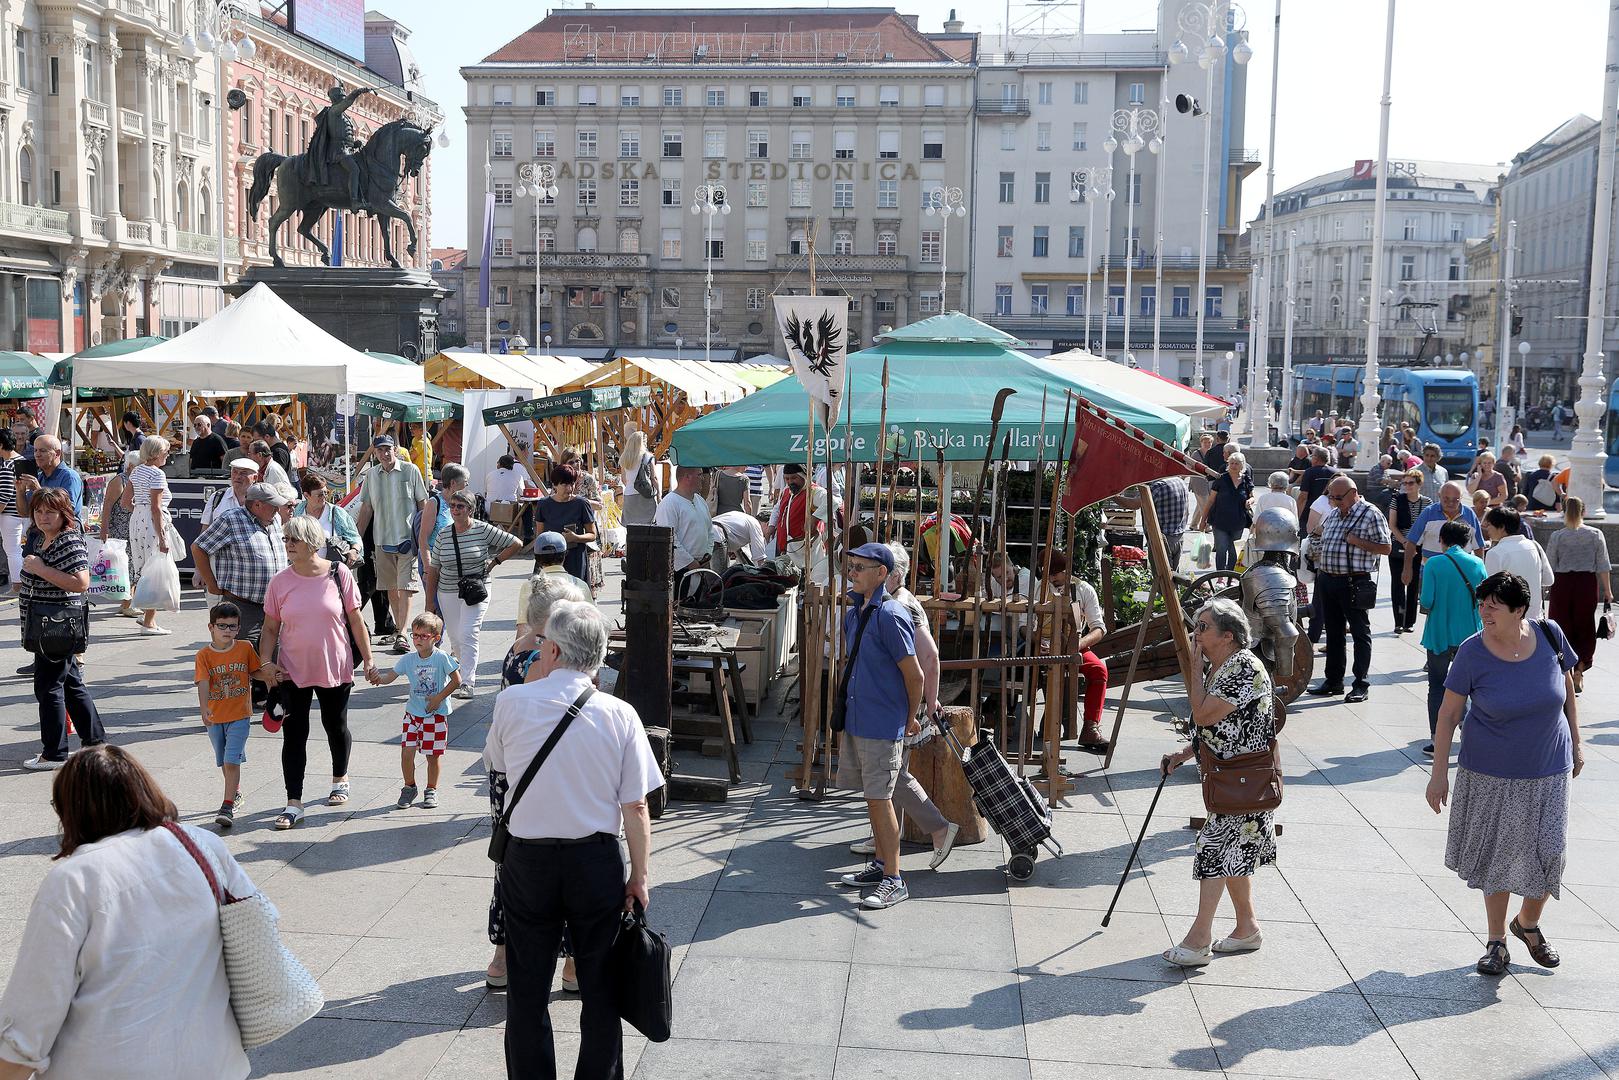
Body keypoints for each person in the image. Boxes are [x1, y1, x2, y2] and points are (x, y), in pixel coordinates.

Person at [0, 746, 264, 1079]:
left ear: (74, 809)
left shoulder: (75, 880)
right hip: (215, 1064)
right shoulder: (201, 844)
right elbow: (257, 923)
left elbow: (29, 1025)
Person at [486, 600, 662, 1079]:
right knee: (601, 987)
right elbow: (636, 806)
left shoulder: (511, 702)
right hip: (595, 860)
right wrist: (640, 876)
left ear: (554, 650)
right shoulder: (620, 713)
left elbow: (498, 767)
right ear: (598, 658)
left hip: (528, 861)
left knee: (527, 988)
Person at [1426, 571, 1583, 975]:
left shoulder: (1549, 634)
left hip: (1549, 767)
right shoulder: (1472, 651)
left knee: (1551, 853)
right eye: (1482, 605)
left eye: (1493, 606)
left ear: (1519, 610)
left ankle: (1527, 923)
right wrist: (1439, 773)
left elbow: (1567, 686)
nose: (1484, 612)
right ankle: (1496, 940)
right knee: (1498, 855)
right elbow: (1448, 715)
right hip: (1490, 771)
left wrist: (1577, 742)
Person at [487, 572, 591, 992]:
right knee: (560, 861)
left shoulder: (516, 650)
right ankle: (570, 962)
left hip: (509, 775)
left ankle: (502, 956)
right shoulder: (546, 660)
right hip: (548, 773)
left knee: (509, 863)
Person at [1159, 598, 1277, 967]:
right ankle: (1247, 928)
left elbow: (1203, 714)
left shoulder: (1242, 667)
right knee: (1235, 853)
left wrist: (1194, 669)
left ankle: (1198, 940)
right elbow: (1218, 726)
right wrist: (1184, 753)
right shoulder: (1225, 666)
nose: (1196, 633)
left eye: (1203, 627)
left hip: (1244, 780)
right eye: (1196, 625)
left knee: (1213, 847)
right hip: (1236, 778)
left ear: (1228, 635)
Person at [257, 513, 376, 829]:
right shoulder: (280, 581)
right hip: (291, 670)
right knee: (294, 734)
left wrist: (369, 659)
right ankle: (293, 802)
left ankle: (340, 778)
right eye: (285, 539)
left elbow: (356, 620)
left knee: (335, 725)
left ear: (312, 542)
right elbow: (270, 628)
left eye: (294, 539)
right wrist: (266, 662)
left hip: (334, 664)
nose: (288, 544)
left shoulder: (339, 573)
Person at [846, 543, 962, 863]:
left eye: (861, 567)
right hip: (897, 701)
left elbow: (929, 658)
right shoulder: (888, 603)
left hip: (901, 704)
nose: (854, 573)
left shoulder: (899, 606)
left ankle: (936, 829)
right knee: (890, 774)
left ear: (891, 574)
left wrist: (929, 702)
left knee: (892, 774)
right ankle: (886, 839)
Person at [835, 542, 926, 911]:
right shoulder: (855, 614)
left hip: (882, 722)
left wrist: (909, 718)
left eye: (860, 567)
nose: (852, 572)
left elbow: (915, 675)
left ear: (882, 573)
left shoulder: (890, 614)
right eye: (852, 566)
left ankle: (894, 879)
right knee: (872, 798)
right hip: (859, 718)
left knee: (880, 798)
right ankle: (881, 864)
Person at [18, 488, 106, 770]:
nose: (43, 516)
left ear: (63, 514)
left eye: (50, 512)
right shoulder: (41, 537)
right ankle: (94, 742)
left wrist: (41, 569)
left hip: (56, 626)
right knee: (70, 683)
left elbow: (81, 582)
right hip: (47, 625)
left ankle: (54, 753)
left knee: (49, 687)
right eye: (38, 511)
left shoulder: (68, 540)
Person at [425, 489, 524, 698]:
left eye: (460, 506)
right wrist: (429, 602)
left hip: (477, 589)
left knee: (468, 632)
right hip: (448, 590)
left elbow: (516, 543)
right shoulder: (443, 534)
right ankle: (462, 671)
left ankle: (467, 682)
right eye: (452, 506)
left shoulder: (482, 529)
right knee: (455, 637)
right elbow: (434, 569)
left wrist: (495, 562)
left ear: (470, 509)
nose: (455, 510)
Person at [1307, 476, 1392, 703]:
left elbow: (1386, 547)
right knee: (1334, 633)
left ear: (1353, 493)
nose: (1335, 502)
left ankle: (1360, 684)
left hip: (1354, 582)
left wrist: (1357, 541)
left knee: (1359, 633)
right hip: (1328, 579)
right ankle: (1333, 680)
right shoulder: (1334, 513)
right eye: (1332, 498)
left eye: (1338, 498)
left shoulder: (1371, 514)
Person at [370, 611, 461, 809]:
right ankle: (409, 787)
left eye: (423, 636)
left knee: (432, 756)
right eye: (415, 635)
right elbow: (390, 677)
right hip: (412, 715)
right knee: (406, 752)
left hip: (435, 716)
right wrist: (378, 679)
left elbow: (457, 681)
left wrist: (438, 698)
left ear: (436, 638)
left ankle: (431, 789)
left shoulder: (442, 658)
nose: (418, 639)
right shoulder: (408, 659)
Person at [191, 482, 290, 657]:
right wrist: (211, 584)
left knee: (273, 661)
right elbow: (198, 547)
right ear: (257, 505)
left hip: (273, 606)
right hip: (243, 606)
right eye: (273, 505)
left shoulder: (274, 520)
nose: (277, 509)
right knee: (244, 659)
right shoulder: (231, 519)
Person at [353, 434, 429, 655]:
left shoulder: (410, 470)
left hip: (407, 539)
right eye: (380, 450)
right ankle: (399, 628)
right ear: (375, 453)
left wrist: (424, 535)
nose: (385, 454)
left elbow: (422, 503)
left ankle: (403, 633)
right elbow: (367, 508)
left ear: (395, 449)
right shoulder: (371, 475)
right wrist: (357, 538)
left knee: (406, 587)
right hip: (382, 539)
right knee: (391, 588)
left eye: (388, 449)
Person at [1418, 520, 1486, 754]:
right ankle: (1470, 731)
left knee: (1437, 685)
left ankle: (1437, 739)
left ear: (1441, 540)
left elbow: (1427, 600)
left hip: (1439, 633)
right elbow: (1483, 599)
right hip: (1470, 634)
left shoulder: (1434, 563)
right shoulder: (1478, 563)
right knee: (1470, 686)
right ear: (1467, 541)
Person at [194, 601, 264, 828]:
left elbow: (255, 671)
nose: (227, 630)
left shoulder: (245, 648)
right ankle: (236, 792)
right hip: (215, 717)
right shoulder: (204, 655)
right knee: (223, 760)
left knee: (230, 759)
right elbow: (203, 682)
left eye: (233, 626)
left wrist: (271, 676)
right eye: (222, 626)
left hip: (240, 715)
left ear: (239, 628)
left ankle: (227, 805)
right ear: (211, 627)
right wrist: (204, 708)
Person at [1039, 550, 1110, 750]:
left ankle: (1090, 728)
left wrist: (1076, 645)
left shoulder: (1084, 590)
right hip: (1040, 647)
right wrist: (1035, 639)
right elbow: (1023, 625)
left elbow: (1099, 628)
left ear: (1066, 570)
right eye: (1048, 574)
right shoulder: (1038, 589)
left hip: (1073, 646)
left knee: (1099, 670)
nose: (1051, 578)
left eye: (1056, 573)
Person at [1545, 496, 1613, 695]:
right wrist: (1608, 591)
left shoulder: (1557, 536)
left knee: (1561, 626)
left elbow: (1550, 565)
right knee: (1585, 626)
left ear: (1564, 512)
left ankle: (1564, 670)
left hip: (1562, 584)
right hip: (1586, 583)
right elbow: (1603, 565)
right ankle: (1579, 670)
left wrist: (1545, 589)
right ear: (1584, 512)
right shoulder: (1595, 534)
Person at [125, 435, 176, 635]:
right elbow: (156, 508)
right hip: (151, 521)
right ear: (156, 453)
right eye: (165, 452)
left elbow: (125, 502)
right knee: (154, 569)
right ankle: (149, 622)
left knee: (143, 567)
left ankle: (146, 614)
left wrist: (140, 512)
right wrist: (162, 537)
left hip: (137, 520)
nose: (167, 455)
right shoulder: (157, 474)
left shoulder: (136, 471)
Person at [1484, 506, 1554, 621]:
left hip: (1508, 620)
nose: (1487, 529)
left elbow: (1490, 592)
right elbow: (1549, 580)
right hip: (1536, 618)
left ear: (1501, 527)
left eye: (1489, 525)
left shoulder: (1495, 553)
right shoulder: (1535, 546)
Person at [533, 464, 597, 583]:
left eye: (572, 484)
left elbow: (592, 535)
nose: (569, 488)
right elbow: (539, 536)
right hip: (550, 560)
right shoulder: (543, 504)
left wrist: (575, 537)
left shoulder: (582, 504)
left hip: (575, 558)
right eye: (565, 484)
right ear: (554, 485)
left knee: (575, 591)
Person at [1387, 471, 1432, 634]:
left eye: (1411, 483)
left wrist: (1415, 545)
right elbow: (1392, 525)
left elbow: (1428, 526)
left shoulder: (1427, 502)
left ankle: (1409, 622)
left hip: (1418, 546)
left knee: (1413, 585)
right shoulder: (1397, 500)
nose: (1407, 486)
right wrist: (1406, 543)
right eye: (1404, 483)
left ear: (1419, 484)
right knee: (1397, 584)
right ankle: (1398, 621)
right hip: (1399, 544)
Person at [1405, 482, 1484, 576]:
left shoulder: (1469, 514)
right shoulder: (1428, 513)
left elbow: (1478, 545)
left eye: (1455, 500)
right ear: (1439, 496)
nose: (1450, 503)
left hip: (1462, 573)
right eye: (1446, 499)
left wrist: (1480, 570)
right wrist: (1407, 569)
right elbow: (1412, 541)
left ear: (1461, 498)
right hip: (1433, 572)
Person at [1114, 475, 1193, 566]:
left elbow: (1134, 504)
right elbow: (1187, 512)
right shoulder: (1180, 481)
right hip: (1178, 537)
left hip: (1162, 540)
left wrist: (1113, 496)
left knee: (1160, 572)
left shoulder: (1157, 487)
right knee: (1173, 572)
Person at [98, 450, 140, 617]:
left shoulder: (135, 480)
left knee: (132, 566)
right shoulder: (119, 480)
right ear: (130, 466)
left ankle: (128, 602)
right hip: (120, 530)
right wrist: (104, 528)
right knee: (127, 567)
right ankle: (127, 603)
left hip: (132, 529)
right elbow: (107, 505)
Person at [654, 465, 714, 579]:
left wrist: (707, 555)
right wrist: (689, 562)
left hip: (701, 567)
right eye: (699, 475)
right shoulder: (669, 503)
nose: (703, 478)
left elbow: (710, 531)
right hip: (680, 571)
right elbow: (669, 540)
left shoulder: (700, 501)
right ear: (687, 477)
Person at [1198, 450, 1253, 572]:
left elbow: (1252, 496)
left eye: (1236, 463)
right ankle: (1220, 575)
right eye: (1231, 463)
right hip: (1219, 520)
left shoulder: (1246, 480)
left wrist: (1250, 501)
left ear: (1242, 465)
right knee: (1221, 548)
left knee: (1233, 550)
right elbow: (1210, 501)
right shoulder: (1221, 479)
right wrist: (1203, 520)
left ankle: (1231, 574)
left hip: (1238, 520)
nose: (1233, 466)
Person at [17, 434, 85, 526]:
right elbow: (24, 513)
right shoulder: (39, 477)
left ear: (57, 453)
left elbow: (66, 511)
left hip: (64, 532)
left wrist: (38, 490)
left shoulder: (69, 477)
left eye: (43, 451)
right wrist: (20, 491)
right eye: (35, 450)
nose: (37, 454)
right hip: (41, 532)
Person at [296, 472, 361, 564]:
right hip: (304, 567)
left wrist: (354, 551)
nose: (324, 497)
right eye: (320, 495)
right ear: (306, 495)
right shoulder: (298, 512)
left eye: (326, 493)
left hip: (332, 568)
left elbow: (354, 537)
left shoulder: (337, 512)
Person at [765, 464, 826, 561]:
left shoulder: (814, 491)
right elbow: (778, 508)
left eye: (794, 478)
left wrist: (814, 518)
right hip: (784, 545)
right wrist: (771, 525)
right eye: (787, 479)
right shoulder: (787, 491)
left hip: (804, 548)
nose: (790, 482)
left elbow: (832, 502)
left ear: (803, 477)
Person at [618, 423, 660, 526]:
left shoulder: (624, 458)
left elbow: (623, 479)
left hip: (629, 494)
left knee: (631, 527)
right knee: (647, 526)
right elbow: (654, 478)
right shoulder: (648, 457)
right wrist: (659, 494)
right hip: (645, 494)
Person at [1294, 446, 1337, 535]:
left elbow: (1303, 496)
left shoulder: (1309, 472)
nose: (1311, 458)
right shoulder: (1336, 473)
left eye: (1312, 456)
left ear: (1316, 458)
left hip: (1310, 511)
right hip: (1332, 511)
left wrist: (1297, 515)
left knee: (1306, 538)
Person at [486, 453, 528, 535]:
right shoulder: (518, 476)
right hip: (508, 511)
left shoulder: (490, 474)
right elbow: (522, 493)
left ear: (499, 464)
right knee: (527, 507)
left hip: (490, 510)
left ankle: (498, 531)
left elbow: (487, 490)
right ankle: (527, 535)